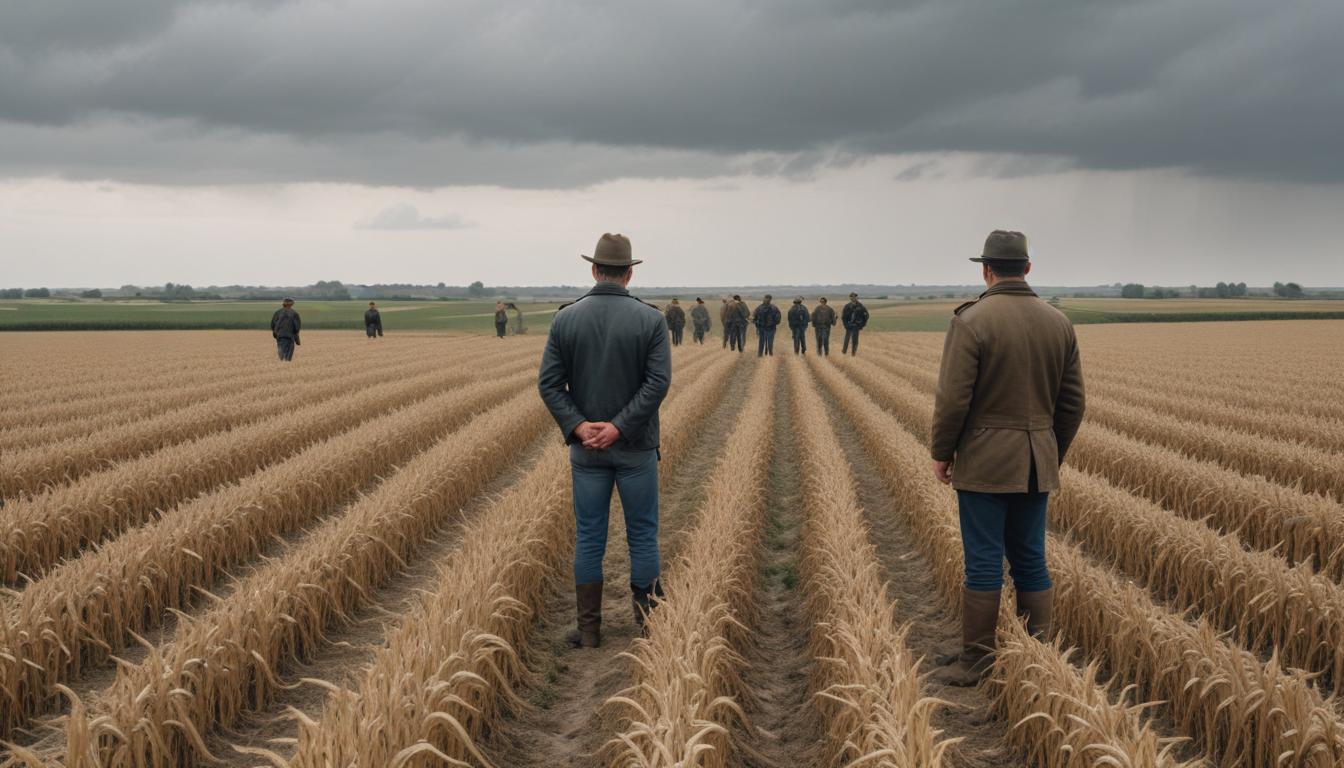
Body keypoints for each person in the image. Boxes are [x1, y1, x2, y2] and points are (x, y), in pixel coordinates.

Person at [929, 230, 1086, 686]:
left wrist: (942, 452)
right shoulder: (1059, 322)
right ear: (1028, 269)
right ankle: (1037, 657)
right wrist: (1049, 449)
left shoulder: (972, 321)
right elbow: (1073, 403)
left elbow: (953, 399)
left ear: (986, 270)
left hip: (984, 464)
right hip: (1038, 461)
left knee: (982, 560)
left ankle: (976, 659)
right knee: (1031, 558)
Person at [538, 233, 671, 649]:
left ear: (594, 270)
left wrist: (580, 426)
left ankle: (590, 631)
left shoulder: (566, 318)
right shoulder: (651, 320)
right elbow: (657, 384)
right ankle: (649, 628)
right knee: (643, 534)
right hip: (635, 448)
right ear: (629, 274)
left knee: (590, 536)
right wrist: (620, 427)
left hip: (587, 453)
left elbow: (549, 385)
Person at [270, 297, 301, 361]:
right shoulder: (294, 314)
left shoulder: (277, 312)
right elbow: (297, 328)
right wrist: (296, 338)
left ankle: (281, 362)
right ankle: (286, 365)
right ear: (291, 304)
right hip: (290, 336)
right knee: (288, 357)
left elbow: (272, 324)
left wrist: (276, 333)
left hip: (280, 336)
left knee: (281, 350)